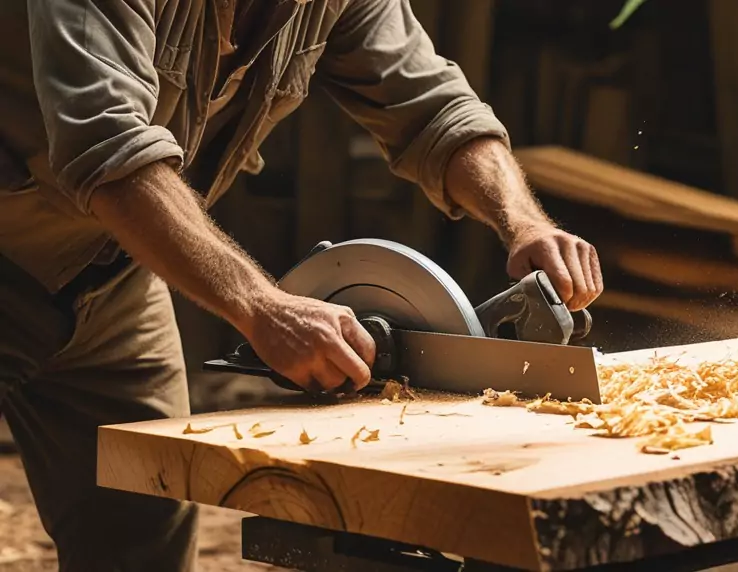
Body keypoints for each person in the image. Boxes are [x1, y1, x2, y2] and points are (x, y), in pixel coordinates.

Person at [0, 0, 604, 570]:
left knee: (141, 536)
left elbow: (435, 108)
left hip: (115, 283)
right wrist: (261, 306)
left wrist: (521, 219)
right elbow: (107, 149)